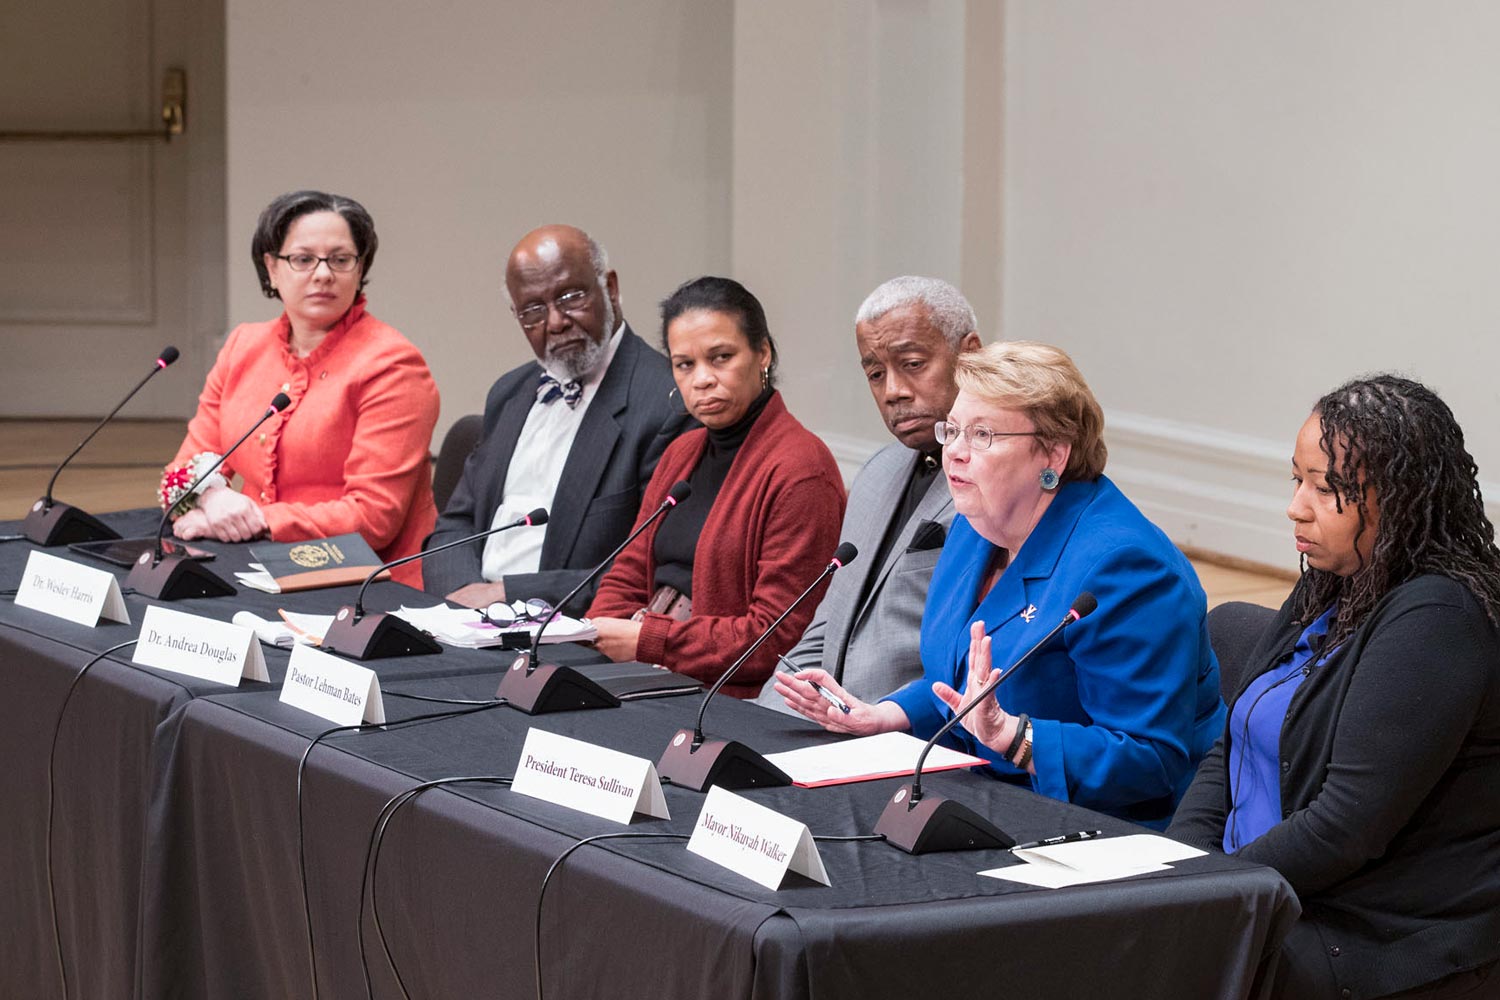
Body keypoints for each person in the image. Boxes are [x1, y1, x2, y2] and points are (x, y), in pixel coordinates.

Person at [777, 341, 1225, 825]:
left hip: (1106, 827)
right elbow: (962, 687)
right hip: (988, 793)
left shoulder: (1127, 568)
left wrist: (1016, 737)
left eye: (982, 434)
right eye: (952, 430)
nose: (955, 453)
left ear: (1053, 453)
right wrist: (883, 715)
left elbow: (1150, 759)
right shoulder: (976, 527)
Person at [1168, 375, 1500, 999]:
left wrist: (1209, 892)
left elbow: (1346, 829)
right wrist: (1181, 868)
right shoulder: (1335, 577)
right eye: (1296, 480)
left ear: (1398, 499)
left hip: (1382, 933)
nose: (1297, 506)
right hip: (1274, 887)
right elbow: (1230, 746)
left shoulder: (1439, 619)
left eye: (1327, 489)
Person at [587, 277, 846, 696]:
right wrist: (607, 630)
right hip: (645, 676)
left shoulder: (802, 471)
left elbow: (774, 638)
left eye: (721, 357)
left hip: (725, 699)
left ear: (763, 353)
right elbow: (627, 574)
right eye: (685, 364)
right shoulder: (680, 452)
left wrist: (650, 640)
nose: (702, 379)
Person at [167, 190, 439, 586]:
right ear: (272, 268)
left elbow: (374, 517)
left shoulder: (393, 366)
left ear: (360, 269)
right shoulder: (243, 346)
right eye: (303, 259)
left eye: (341, 260)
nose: (323, 273)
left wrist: (256, 519)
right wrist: (212, 498)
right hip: (253, 564)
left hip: (363, 585)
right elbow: (182, 470)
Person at [420, 225, 689, 611]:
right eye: (533, 310)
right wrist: (463, 600)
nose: (556, 321)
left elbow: (648, 568)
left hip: (566, 633)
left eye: (570, 296)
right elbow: (455, 524)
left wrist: (507, 596)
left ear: (610, 288)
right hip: (472, 625)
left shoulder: (665, 403)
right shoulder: (510, 393)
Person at [753, 276, 980, 711]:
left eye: (912, 363)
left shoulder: (995, 486)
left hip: (909, 735)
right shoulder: (878, 472)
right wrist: (765, 720)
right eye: (876, 373)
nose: (893, 391)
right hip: (828, 728)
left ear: (969, 354)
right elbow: (825, 629)